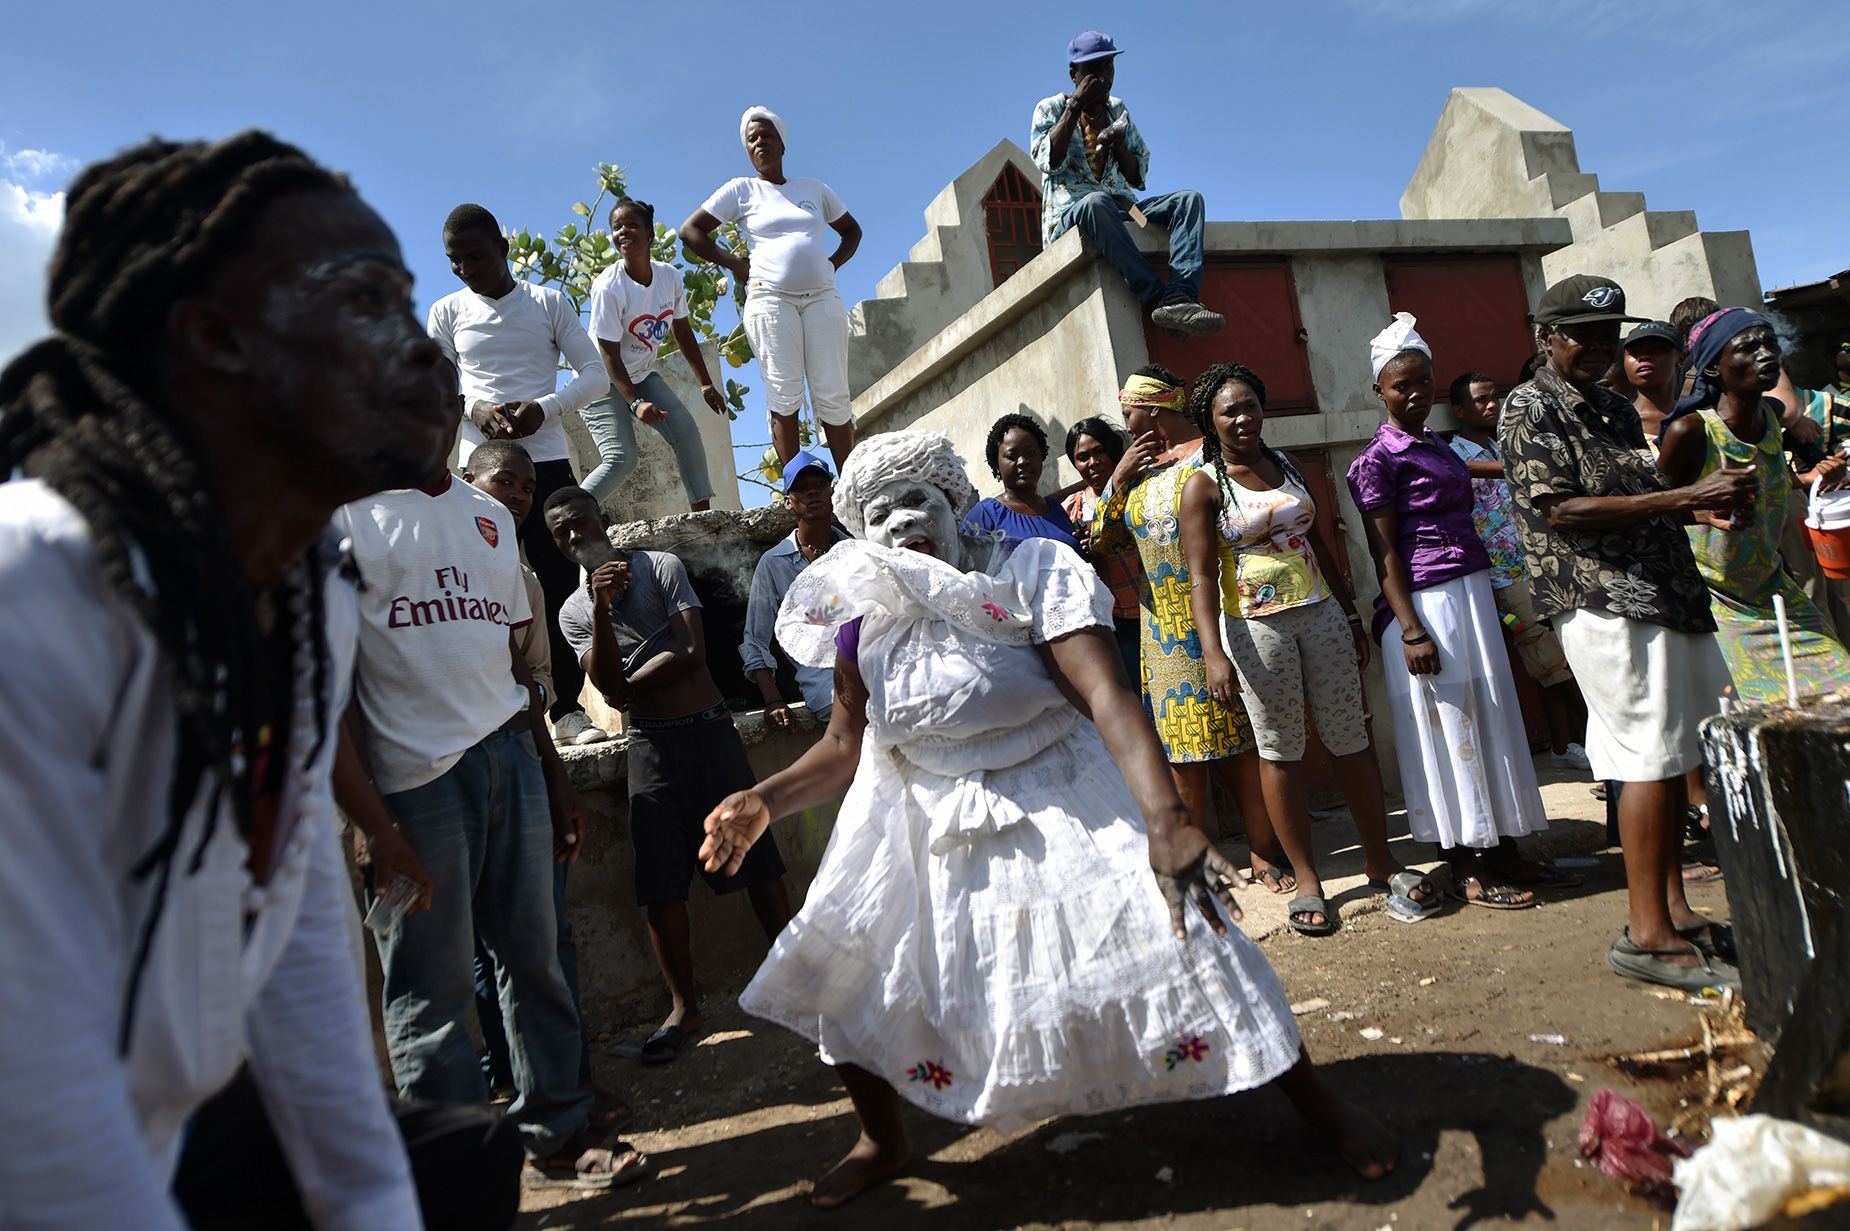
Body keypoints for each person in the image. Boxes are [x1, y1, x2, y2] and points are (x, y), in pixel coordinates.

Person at [0, 131, 511, 1228]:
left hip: (147, 1114)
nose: (425, 348)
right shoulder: (31, 596)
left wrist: (371, 1206)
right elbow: (34, 1115)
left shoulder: (301, 601)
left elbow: (295, 948)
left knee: (452, 1163)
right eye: (367, 300)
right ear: (215, 336)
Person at [697, 429, 1397, 1207]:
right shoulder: (865, 620)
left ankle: (1316, 1100)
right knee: (848, 964)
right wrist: (767, 799)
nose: (902, 519)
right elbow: (842, 744)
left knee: (1186, 932)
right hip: (915, 810)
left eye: (916, 499)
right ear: (863, 531)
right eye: (881, 511)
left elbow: (1107, 695)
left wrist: (1166, 817)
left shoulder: (1028, 572)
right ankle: (882, 1137)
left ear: (954, 502)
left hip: (1055, 784)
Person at [336, 466, 643, 1190]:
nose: (433, 408)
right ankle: (456, 1181)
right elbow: (333, 679)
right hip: (416, 784)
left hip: (511, 757)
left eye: (443, 391)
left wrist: (552, 772)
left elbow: (510, 660)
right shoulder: (346, 518)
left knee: (535, 960)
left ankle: (559, 1133)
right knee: (429, 989)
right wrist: (369, 820)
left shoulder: (490, 516)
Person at [1500, 273, 1754, 992]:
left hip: (1667, 591)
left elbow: (1640, 498)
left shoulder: (1613, 404)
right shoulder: (1529, 406)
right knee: (1645, 753)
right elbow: (1562, 510)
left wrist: (1700, 510)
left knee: (1677, 751)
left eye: (1608, 333)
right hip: (1602, 596)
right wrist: (1684, 496)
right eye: (1582, 332)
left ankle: (1673, 910)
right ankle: (1645, 934)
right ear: (1546, 337)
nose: (1600, 346)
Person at [1182, 363, 1443, 936]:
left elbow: (1319, 541)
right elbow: (1200, 575)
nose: (1243, 418)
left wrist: (1350, 612)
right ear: (1209, 418)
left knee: (1351, 736)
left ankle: (1381, 861)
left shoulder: (1287, 466)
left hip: (1322, 614)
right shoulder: (1203, 484)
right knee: (1281, 750)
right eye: (1230, 410)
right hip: (1256, 628)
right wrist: (1212, 652)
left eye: (1251, 405)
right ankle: (1307, 880)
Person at [545, 487, 793, 1064]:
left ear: (603, 519)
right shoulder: (575, 611)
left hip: (708, 729)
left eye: (580, 523)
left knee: (756, 856)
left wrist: (626, 685)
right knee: (660, 880)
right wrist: (603, 611)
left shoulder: (661, 566)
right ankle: (684, 1006)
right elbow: (605, 683)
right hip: (650, 745)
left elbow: (693, 652)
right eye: (561, 533)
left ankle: (794, 977)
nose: (575, 536)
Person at [1347, 314, 1558, 910]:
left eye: (1423, 382)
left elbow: (1473, 474)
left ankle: (1506, 847)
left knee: (1490, 717)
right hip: (1426, 605)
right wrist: (1411, 629)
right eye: (1400, 386)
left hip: (1469, 594)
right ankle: (1466, 862)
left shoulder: (1436, 444)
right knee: (1451, 726)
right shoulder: (1378, 459)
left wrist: (1531, 467)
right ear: (1379, 392)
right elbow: (1383, 553)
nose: (1415, 395)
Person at [460, 439, 615, 1116]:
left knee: (544, 936)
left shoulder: (521, 579)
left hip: (520, 765)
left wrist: (553, 779)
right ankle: (508, 1078)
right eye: (506, 483)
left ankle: (565, 1082)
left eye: (526, 488)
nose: (518, 496)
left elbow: (536, 690)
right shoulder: (411, 555)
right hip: (442, 775)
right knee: (477, 949)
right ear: (468, 480)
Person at [1087, 366, 1284, 887]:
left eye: (1129, 411)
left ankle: (1264, 852)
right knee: (1182, 757)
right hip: (1162, 636)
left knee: (1244, 744)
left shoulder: (1210, 456)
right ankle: (1199, 862)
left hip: (1224, 614)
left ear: (1152, 407)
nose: (1126, 423)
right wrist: (1118, 476)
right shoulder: (1139, 472)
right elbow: (1101, 541)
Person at [429, 203, 611, 749]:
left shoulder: (547, 303)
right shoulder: (445, 311)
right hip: (478, 468)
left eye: (475, 256)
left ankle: (567, 711)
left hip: (546, 463)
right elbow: (435, 386)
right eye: (454, 260)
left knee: (558, 583)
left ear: (503, 250)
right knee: (473, 582)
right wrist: (475, 409)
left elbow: (596, 375)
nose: (464, 268)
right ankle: (478, 707)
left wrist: (545, 408)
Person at [1657, 309, 1850, 701]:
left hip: (1776, 590)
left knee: (1840, 688)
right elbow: (1651, 509)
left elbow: (1770, 480)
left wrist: (1817, 476)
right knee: (1765, 717)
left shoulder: (1772, 416)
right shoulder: (1691, 431)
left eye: (1770, 344)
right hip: (1716, 604)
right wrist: (1699, 511)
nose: (1766, 354)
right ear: (1713, 368)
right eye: (1747, 347)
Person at [680, 107, 861, 471]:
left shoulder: (814, 189)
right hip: (771, 300)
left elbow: (852, 231)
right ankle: (797, 488)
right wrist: (736, 265)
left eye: (766, 135)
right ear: (747, 150)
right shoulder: (741, 190)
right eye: (752, 139)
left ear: (782, 143)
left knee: (833, 393)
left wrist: (831, 264)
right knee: (784, 391)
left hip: (822, 298)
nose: (759, 142)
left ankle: (852, 487)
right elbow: (691, 231)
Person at [1029, 32, 1223, 339]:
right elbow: (1048, 160)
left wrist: (1119, 145)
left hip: (1121, 209)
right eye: (1094, 70)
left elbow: (1136, 177)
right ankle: (1156, 297)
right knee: (1095, 203)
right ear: (1074, 75)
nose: (1104, 78)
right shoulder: (1050, 108)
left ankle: (1180, 296)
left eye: (1109, 68)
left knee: (1189, 200)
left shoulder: (1117, 110)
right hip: (1072, 214)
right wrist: (1076, 104)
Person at [1446, 371, 1592, 771]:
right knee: (1548, 662)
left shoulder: (1499, 443)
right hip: (1503, 576)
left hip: (1538, 565)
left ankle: (1570, 743)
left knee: (1559, 657)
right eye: (1480, 400)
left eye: (1494, 397)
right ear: (1459, 410)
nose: (1491, 405)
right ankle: (1574, 743)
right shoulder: (1454, 456)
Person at [582, 196, 724, 511]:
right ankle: (570, 514)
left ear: (650, 234)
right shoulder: (609, 287)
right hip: (601, 380)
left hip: (642, 373)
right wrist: (635, 402)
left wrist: (705, 383)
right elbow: (608, 354)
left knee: (685, 430)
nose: (623, 232)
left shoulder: (668, 277)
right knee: (621, 458)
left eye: (632, 225)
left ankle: (702, 518)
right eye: (617, 227)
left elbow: (682, 331)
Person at [742, 449, 850, 731]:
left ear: (832, 492)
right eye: (802, 488)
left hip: (876, 671)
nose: (812, 493)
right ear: (789, 502)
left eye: (820, 485)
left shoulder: (856, 550)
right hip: (829, 687)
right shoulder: (774, 563)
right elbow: (755, 638)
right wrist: (773, 700)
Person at [1062, 416, 1144, 681]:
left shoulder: (1138, 490)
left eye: (1099, 452)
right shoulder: (1072, 508)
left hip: (1152, 611)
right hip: (1110, 624)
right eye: (1083, 457)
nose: (1093, 462)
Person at [962, 412, 1081, 552]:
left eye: (1030, 453)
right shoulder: (985, 515)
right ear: (996, 464)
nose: (1023, 461)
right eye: (1011, 456)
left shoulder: (1056, 509)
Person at [1623, 321, 1683, 446]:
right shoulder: (1613, 425)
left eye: (1657, 349)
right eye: (1634, 352)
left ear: (1680, 358)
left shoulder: (1704, 420)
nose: (1644, 357)